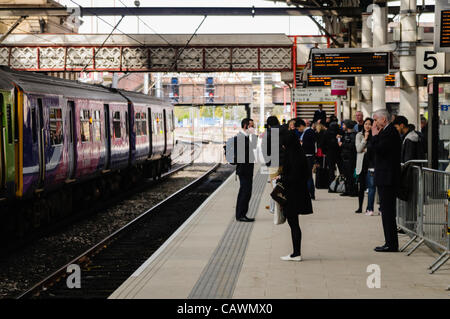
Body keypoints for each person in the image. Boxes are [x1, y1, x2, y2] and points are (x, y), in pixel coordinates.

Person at [279, 130, 313, 261]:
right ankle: (296, 252)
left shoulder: (291, 156)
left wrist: (281, 179)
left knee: (293, 224)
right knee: (295, 224)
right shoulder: (300, 153)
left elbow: (292, 177)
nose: (283, 146)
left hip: (291, 194)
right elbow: (303, 175)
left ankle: (296, 253)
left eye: (284, 144)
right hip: (300, 192)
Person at [372, 109, 401, 252]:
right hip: (385, 176)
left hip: (388, 177)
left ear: (383, 119)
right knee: (386, 211)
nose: (374, 123)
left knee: (388, 211)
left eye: (376, 120)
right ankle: (389, 241)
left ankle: (391, 244)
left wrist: (374, 136)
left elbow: (379, 150)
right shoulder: (387, 132)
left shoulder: (389, 133)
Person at [262, 116, 287, 216]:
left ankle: (275, 207)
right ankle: (285, 204)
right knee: (285, 184)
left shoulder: (268, 133)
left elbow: (265, 150)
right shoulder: (285, 131)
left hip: (273, 163)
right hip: (285, 163)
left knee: (274, 186)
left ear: (269, 124)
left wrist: (268, 163)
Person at [235, 118, 257, 222]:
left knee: (245, 192)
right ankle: (241, 215)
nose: (253, 128)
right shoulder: (241, 137)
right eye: (252, 126)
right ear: (245, 126)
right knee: (245, 192)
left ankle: (241, 214)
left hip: (246, 169)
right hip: (244, 170)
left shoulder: (245, 137)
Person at [355, 118, 377, 215]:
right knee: (361, 187)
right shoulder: (359, 135)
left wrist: (367, 150)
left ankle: (371, 208)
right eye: (366, 124)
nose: (367, 126)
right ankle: (360, 207)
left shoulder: (375, 135)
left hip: (371, 165)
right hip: (361, 164)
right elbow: (358, 149)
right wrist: (365, 139)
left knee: (372, 187)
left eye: (369, 124)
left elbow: (374, 150)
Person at [297, 119, 316, 200]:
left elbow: (310, 145)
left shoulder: (309, 132)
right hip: (307, 156)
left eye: (298, 128)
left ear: (302, 125)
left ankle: (310, 193)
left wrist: (301, 144)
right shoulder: (306, 132)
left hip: (308, 156)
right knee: (307, 176)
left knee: (308, 176)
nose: (298, 129)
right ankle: (310, 193)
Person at [322, 120, 344, 188]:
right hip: (338, 153)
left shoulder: (326, 132)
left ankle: (331, 185)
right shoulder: (340, 132)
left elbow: (322, 144)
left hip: (329, 154)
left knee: (331, 170)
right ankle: (342, 184)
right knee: (341, 169)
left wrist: (325, 152)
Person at [339, 119, 358, 197]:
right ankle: (347, 190)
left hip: (350, 158)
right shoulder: (346, 134)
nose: (342, 126)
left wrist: (342, 144)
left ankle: (352, 191)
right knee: (346, 175)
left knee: (350, 175)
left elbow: (352, 146)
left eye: (344, 125)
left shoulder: (353, 135)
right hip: (345, 157)